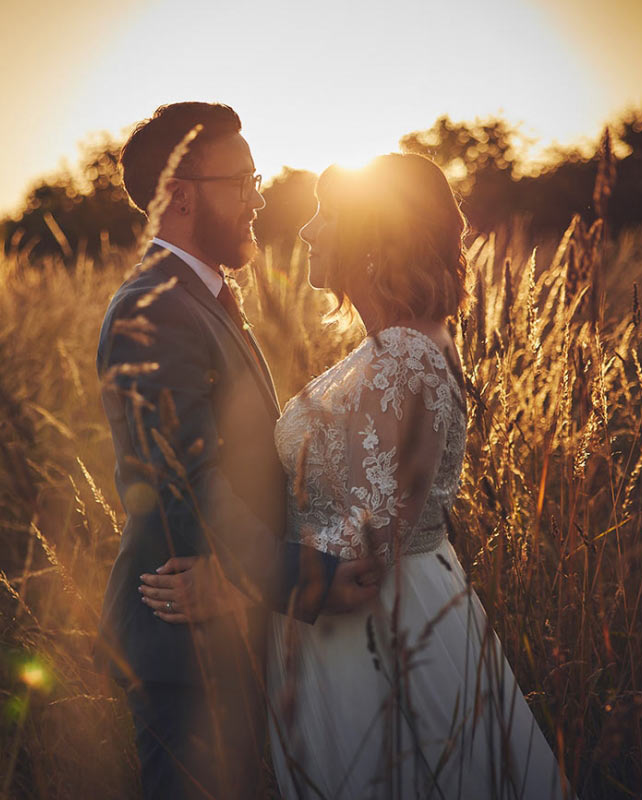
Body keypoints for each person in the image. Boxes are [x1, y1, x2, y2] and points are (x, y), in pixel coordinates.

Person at [144, 154, 577, 798]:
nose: (309, 231)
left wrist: (234, 588)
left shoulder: (407, 357)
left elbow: (372, 538)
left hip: (380, 628)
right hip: (343, 616)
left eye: (328, 215)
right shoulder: (392, 346)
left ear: (376, 235)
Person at [96, 102, 381, 800]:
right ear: (183, 196)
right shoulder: (155, 307)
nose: (259, 197)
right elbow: (187, 481)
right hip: (184, 642)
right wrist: (302, 577)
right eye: (244, 179)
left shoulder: (201, 297)